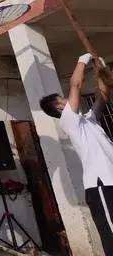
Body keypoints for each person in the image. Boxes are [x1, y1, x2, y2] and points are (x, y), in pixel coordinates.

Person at [40, 53, 113, 253]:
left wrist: (101, 71)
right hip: (100, 185)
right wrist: (83, 58)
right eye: (63, 98)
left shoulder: (89, 119)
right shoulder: (69, 122)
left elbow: (103, 96)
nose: (68, 99)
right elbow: (76, 85)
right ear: (59, 106)